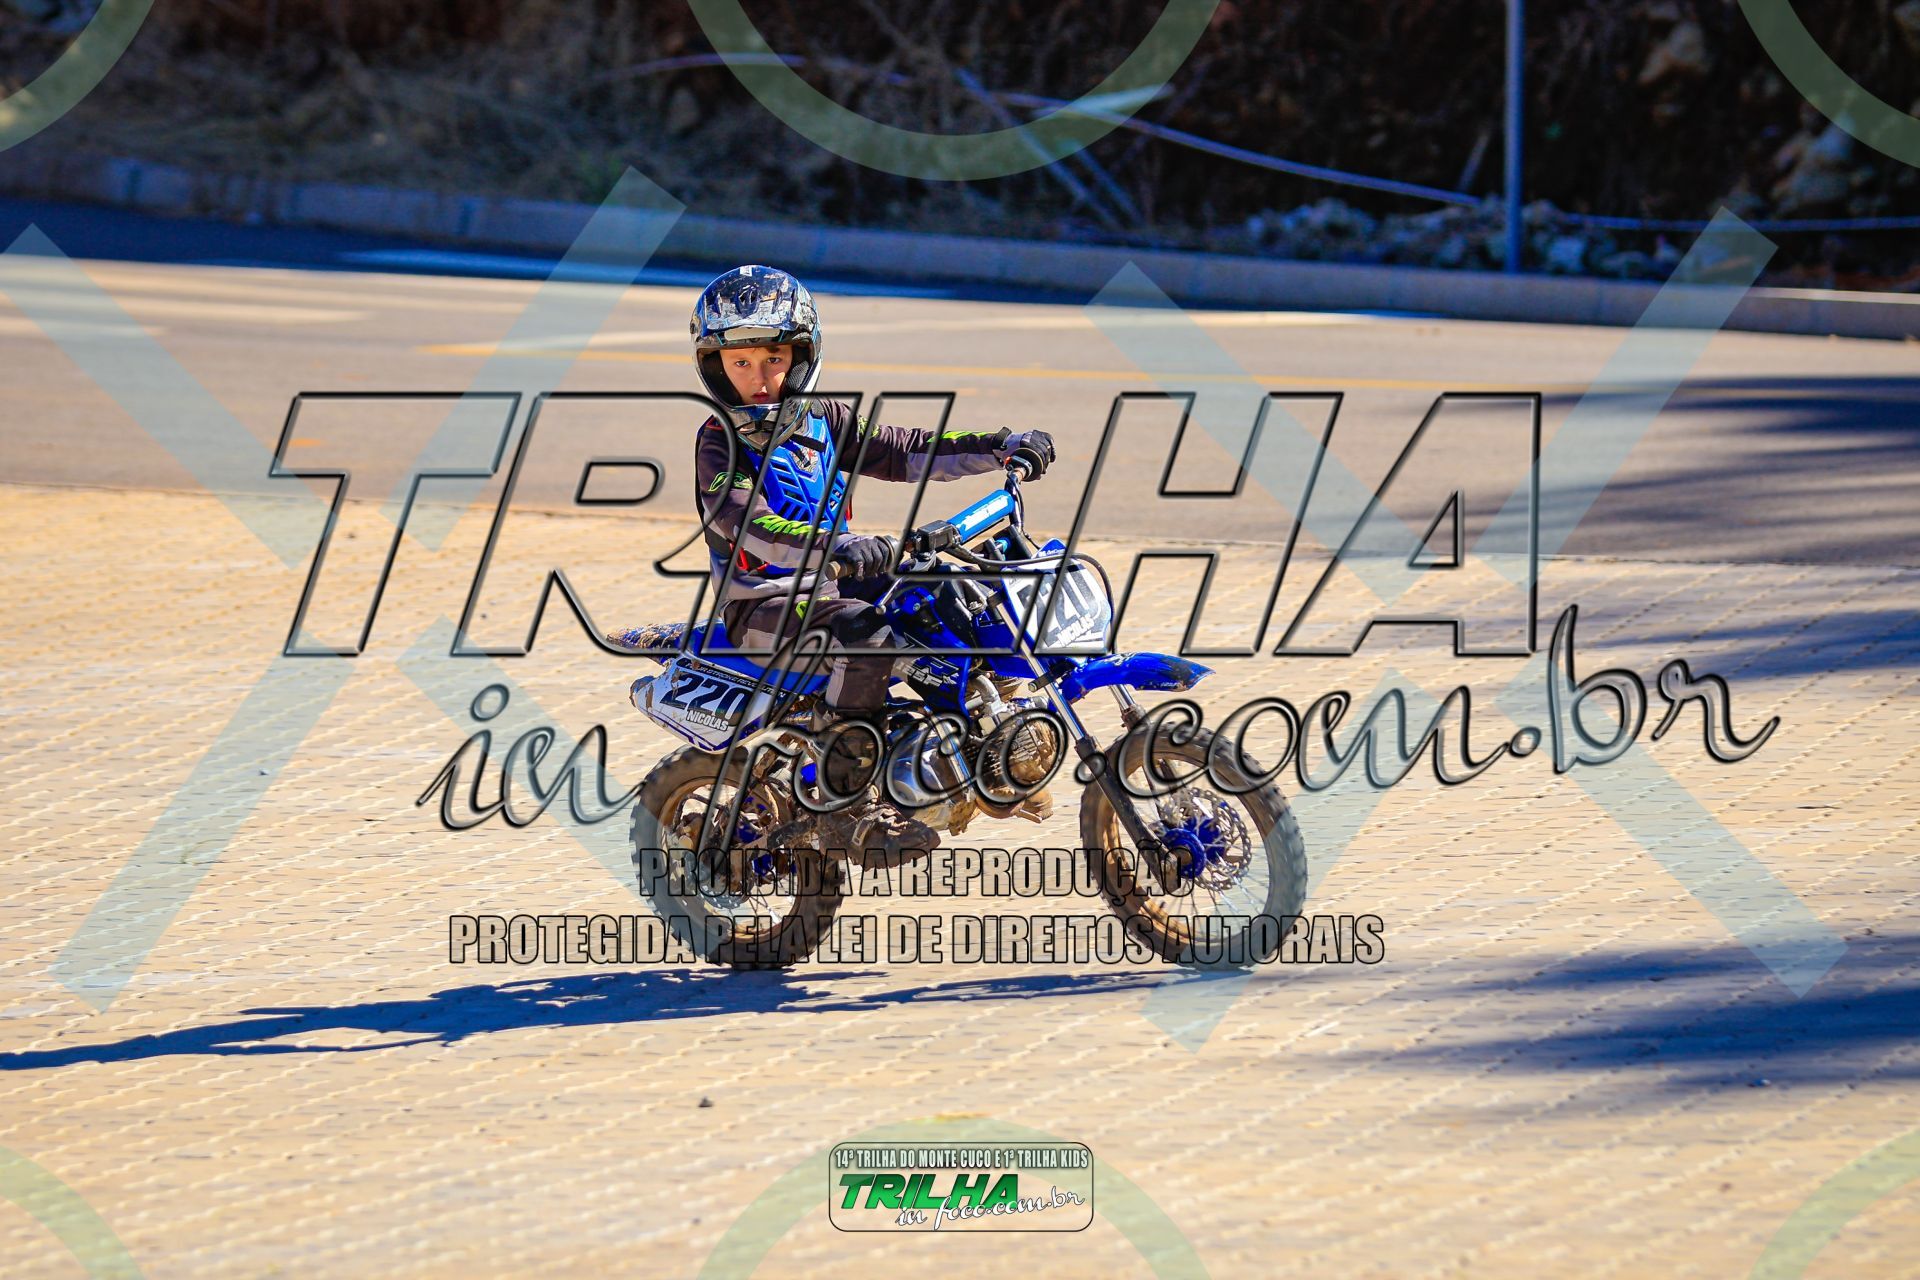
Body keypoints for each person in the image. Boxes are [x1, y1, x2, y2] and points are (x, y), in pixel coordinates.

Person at [688, 264, 1054, 855]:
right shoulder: (718, 443)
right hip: (764, 604)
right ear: (715, 367)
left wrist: (999, 447)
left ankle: (985, 741)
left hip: (841, 580)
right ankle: (846, 805)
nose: (760, 377)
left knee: (951, 590)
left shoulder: (826, 419)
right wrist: (835, 546)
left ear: (802, 357)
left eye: (774, 358)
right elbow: (747, 522)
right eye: (741, 362)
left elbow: (905, 451)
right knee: (869, 637)